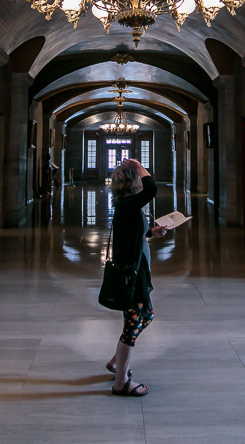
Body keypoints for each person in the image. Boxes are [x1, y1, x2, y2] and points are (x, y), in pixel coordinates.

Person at [105, 158, 168, 397]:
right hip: (131, 276)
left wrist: (151, 233)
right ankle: (120, 382)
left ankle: (116, 361)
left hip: (136, 271)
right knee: (132, 325)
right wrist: (139, 165)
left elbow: (132, 236)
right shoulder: (129, 205)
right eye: (139, 177)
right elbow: (153, 188)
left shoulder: (127, 206)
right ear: (134, 183)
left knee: (147, 316)